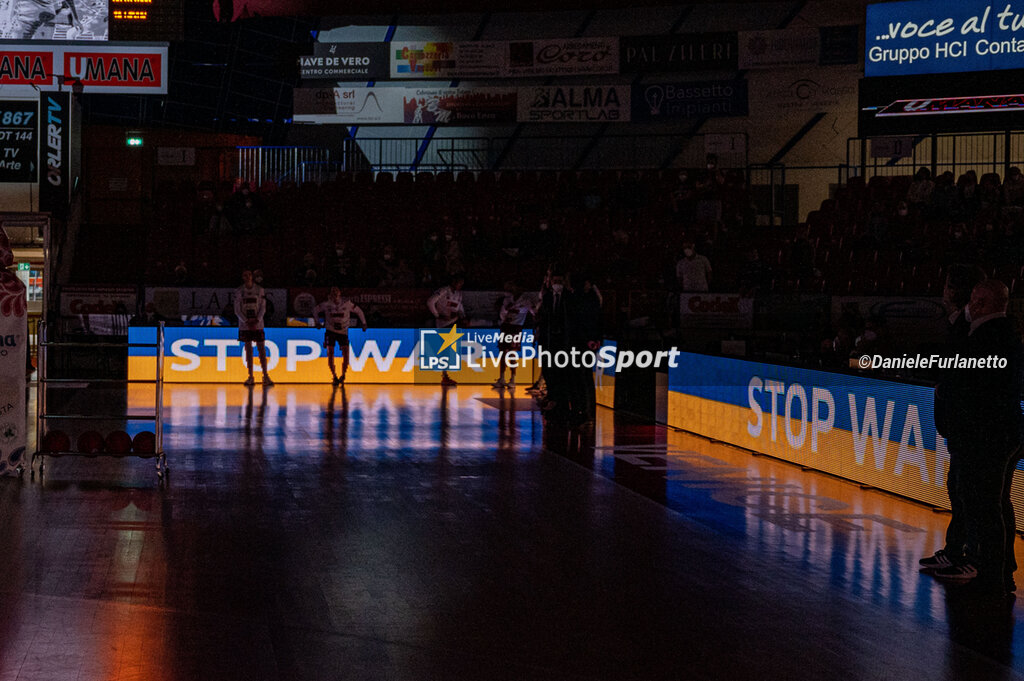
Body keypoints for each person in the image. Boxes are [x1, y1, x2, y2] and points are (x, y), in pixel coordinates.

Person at [930, 280, 1022, 595]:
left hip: (985, 436)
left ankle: (988, 571)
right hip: (997, 433)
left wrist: (949, 391)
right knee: (992, 503)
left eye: (975, 300)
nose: (971, 305)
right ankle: (994, 570)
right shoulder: (1003, 334)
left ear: (982, 303)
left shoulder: (988, 336)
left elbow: (967, 381)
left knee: (984, 505)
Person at [921, 265, 988, 573]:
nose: (942, 291)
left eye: (947, 286)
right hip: (960, 429)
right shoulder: (958, 326)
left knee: (969, 494)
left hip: (971, 430)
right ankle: (956, 552)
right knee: (958, 490)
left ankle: (972, 559)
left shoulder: (972, 330)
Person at [314, 286, 367, 385]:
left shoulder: (347, 304)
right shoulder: (326, 305)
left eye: (336, 292)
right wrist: (317, 322)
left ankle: (343, 374)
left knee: (346, 353)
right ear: (330, 294)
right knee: (330, 353)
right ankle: (334, 376)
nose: (334, 295)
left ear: (340, 294)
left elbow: (358, 311)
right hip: (330, 331)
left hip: (343, 332)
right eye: (332, 292)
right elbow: (315, 310)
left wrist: (364, 323)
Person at [234, 269, 273, 387]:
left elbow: (263, 307)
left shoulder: (259, 290)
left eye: (249, 275)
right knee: (248, 350)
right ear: (242, 277)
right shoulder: (239, 291)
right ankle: (250, 376)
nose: (247, 277)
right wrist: (246, 321)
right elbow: (237, 309)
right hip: (245, 326)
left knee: (261, 350)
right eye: (245, 275)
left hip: (258, 324)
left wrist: (257, 319)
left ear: (252, 276)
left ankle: (265, 376)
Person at [427, 274, 465, 386]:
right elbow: (430, 302)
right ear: (453, 281)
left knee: (450, 351)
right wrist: (437, 315)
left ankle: (446, 375)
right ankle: (444, 376)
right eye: (459, 282)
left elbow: (459, 307)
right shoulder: (443, 290)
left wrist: (463, 316)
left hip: (455, 323)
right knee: (445, 351)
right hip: (443, 324)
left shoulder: (458, 294)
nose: (460, 285)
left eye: (462, 283)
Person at [493, 282, 532, 390]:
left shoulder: (526, 301)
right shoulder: (507, 299)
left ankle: (513, 379)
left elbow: (534, 311)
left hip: (516, 328)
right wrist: (506, 310)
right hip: (505, 326)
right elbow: (502, 314)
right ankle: (501, 379)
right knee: (502, 352)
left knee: (512, 353)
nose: (514, 289)